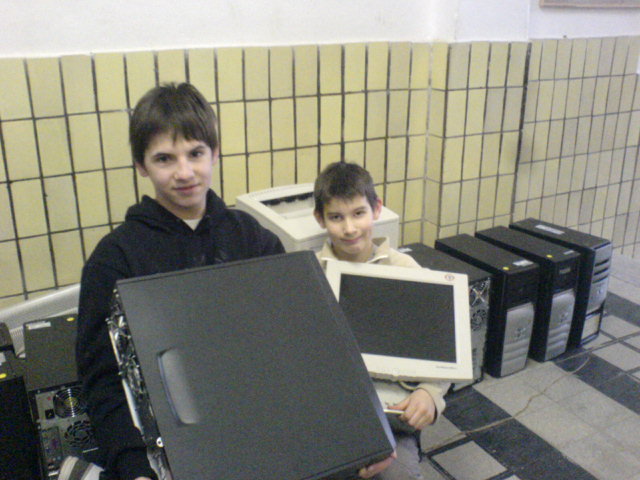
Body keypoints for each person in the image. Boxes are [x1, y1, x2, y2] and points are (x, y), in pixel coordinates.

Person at [75, 83, 285, 480]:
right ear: (141, 165)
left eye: (196, 153)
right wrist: (134, 467)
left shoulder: (254, 240)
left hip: (260, 434)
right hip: (167, 451)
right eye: (164, 159)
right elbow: (103, 381)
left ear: (215, 153)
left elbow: (291, 347)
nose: (185, 173)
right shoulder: (114, 260)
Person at [313, 161, 451, 480]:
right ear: (320, 218)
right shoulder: (310, 276)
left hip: (394, 415)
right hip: (333, 414)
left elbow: (441, 343)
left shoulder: (406, 271)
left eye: (358, 213)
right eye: (336, 217)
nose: (350, 228)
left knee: (398, 475)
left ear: (376, 209)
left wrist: (430, 393)